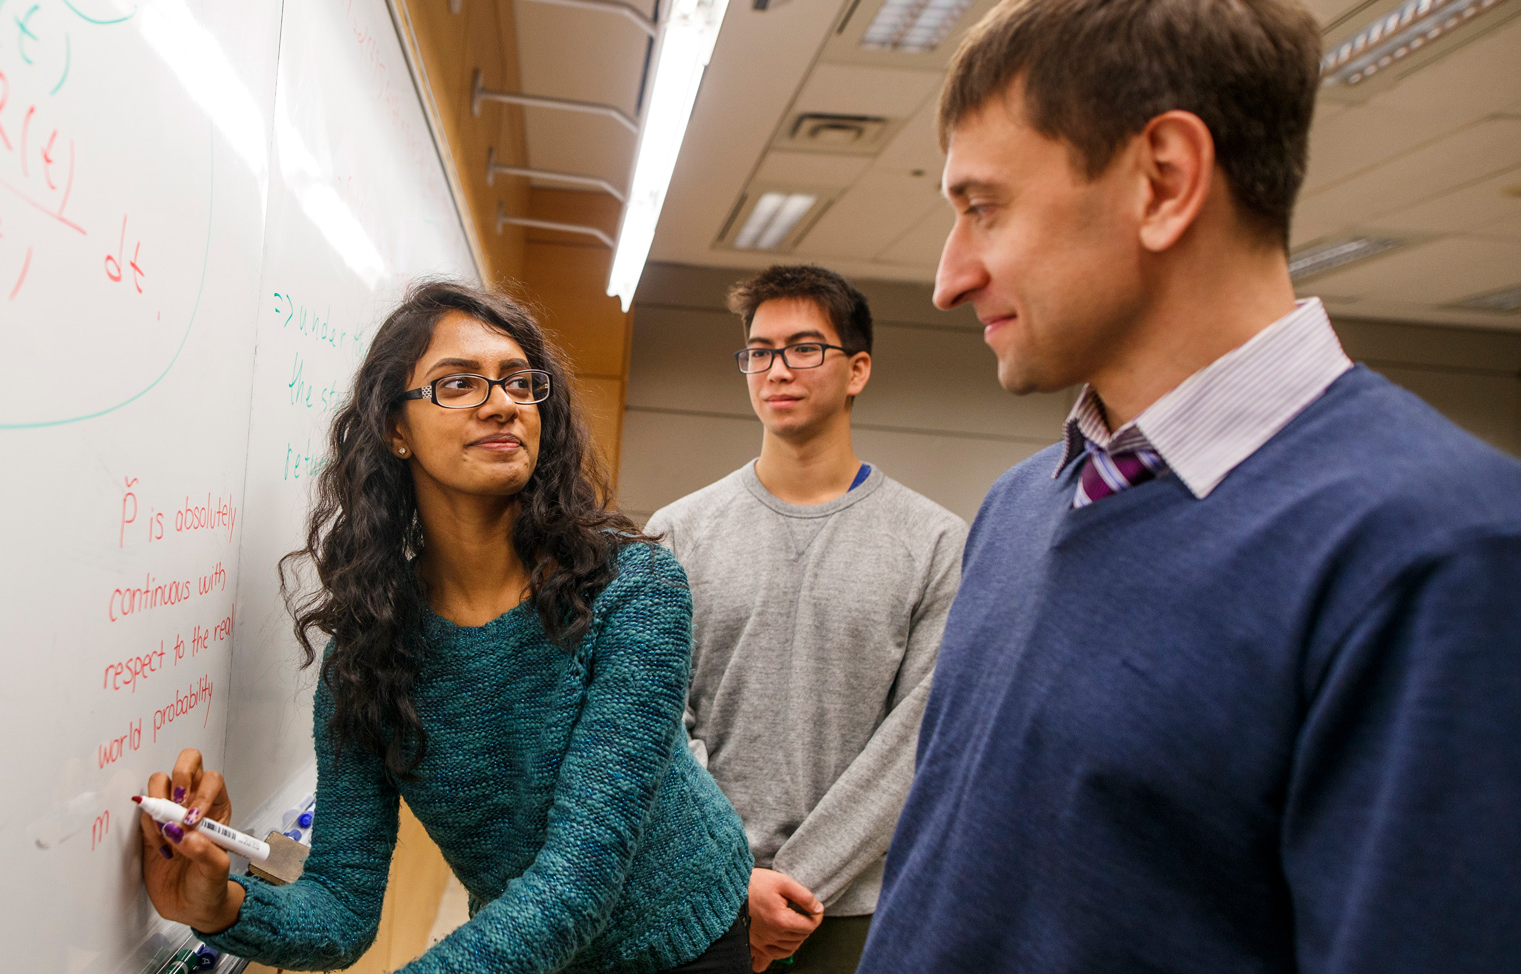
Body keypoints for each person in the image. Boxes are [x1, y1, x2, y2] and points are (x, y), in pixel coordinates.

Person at [861, 0, 1521, 970]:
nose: (947, 277)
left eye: (982, 208)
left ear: (1162, 180)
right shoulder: (1018, 508)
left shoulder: (1437, 552)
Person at [136, 280, 756, 973]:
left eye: (519, 383)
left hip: (684, 940)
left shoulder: (633, 589)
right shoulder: (370, 654)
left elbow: (577, 884)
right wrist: (220, 905)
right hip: (527, 949)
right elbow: (341, 906)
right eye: (457, 383)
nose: (502, 403)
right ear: (396, 429)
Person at [647, 265, 964, 973]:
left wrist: (799, 883)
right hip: (698, 898)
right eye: (759, 351)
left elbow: (917, 742)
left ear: (857, 370)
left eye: (802, 348)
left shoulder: (937, 543)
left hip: (852, 914)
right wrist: (732, 878)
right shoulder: (678, 532)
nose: (776, 369)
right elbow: (659, 719)